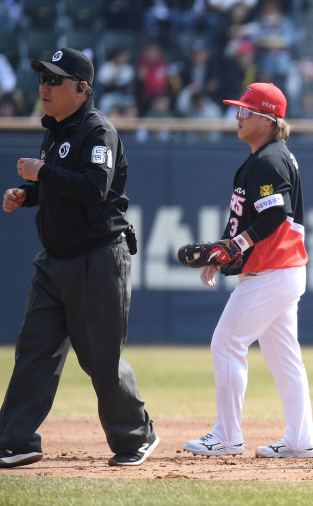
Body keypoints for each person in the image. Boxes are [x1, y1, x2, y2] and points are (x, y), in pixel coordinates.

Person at [0, 48, 158, 468]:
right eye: (43, 78)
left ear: (82, 88)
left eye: (55, 79)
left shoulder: (98, 131)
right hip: (54, 260)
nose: (44, 86)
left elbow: (93, 188)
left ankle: (136, 435)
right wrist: (28, 194)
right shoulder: (56, 130)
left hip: (97, 259)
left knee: (101, 360)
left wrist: (42, 173)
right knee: (34, 351)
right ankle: (15, 441)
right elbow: (58, 186)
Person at [178, 82, 313, 459]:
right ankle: (300, 440)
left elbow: (275, 215)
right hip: (280, 270)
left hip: (273, 270)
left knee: (226, 343)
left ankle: (227, 436)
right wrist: (221, 252)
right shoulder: (261, 158)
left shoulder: (270, 159)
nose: (237, 116)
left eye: (245, 111)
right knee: (285, 361)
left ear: (267, 119)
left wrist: (234, 246)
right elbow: (243, 216)